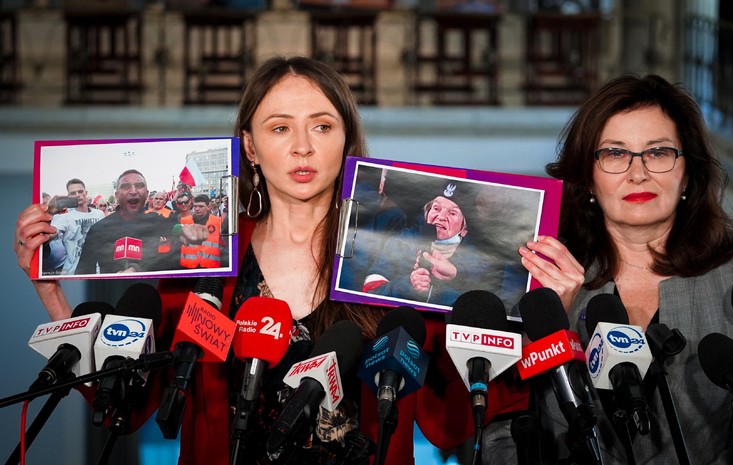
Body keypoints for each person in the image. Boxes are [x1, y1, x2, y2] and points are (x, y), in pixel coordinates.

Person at [15, 56, 527, 465]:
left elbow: (446, 422)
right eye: (280, 128)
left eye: (322, 126)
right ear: (250, 147)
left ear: (346, 140)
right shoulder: (204, 257)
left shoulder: (395, 255)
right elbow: (125, 407)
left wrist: (531, 312)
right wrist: (52, 293)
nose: (302, 147)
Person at [482, 74, 733, 464]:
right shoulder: (537, 274)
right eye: (615, 154)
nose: (638, 173)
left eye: (658, 152)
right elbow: (503, 432)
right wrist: (547, 328)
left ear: (688, 173)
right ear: (588, 179)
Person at [363, 179, 504, 307]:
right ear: (426, 213)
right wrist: (407, 285)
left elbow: (486, 301)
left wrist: (455, 274)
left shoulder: (481, 259)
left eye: (452, 213)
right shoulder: (400, 243)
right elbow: (370, 292)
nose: (441, 217)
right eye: (436, 209)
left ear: (464, 229)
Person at [74, 169, 209, 274]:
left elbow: (176, 229)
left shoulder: (158, 221)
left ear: (146, 194)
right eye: (126, 186)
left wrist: (188, 230)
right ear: (116, 195)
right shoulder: (99, 229)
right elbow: (83, 273)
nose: (133, 191)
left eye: (139, 186)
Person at [47, 178, 105, 275]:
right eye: (73, 193)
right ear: (69, 196)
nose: (77, 195)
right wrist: (48, 211)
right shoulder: (64, 217)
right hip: (73, 272)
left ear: (86, 193)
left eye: (80, 191)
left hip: (98, 270)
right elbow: (46, 238)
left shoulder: (99, 214)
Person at [179, 194, 225, 269]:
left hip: (210, 266)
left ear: (208, 207)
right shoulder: (184, 221)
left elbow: (223, 243)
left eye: (201, 206)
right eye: (195, 206)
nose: (197, 209)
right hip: (188, 265)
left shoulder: (218, 221)